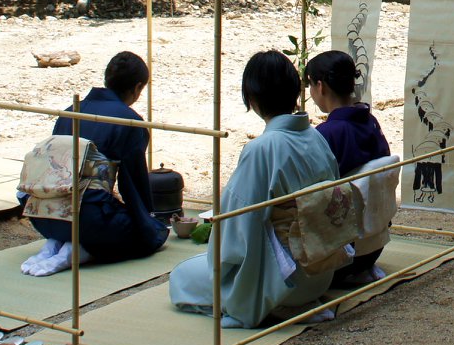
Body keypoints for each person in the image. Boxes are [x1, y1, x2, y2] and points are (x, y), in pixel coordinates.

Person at [168, 50, 342, 327]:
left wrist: (219, 260)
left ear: (251, 99)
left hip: (285, 281)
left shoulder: (263, 149)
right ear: (296, 93)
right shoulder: (316, 138)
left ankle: (266, 308)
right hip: (322, 271)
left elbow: (238, 224)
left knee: (181, 277)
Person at [19, 51, 168, 276]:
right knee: (149, 234)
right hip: (85, 220)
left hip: (41, 215)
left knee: (92, 207)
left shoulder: (69, 112)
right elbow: (132, 186)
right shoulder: (129, 121)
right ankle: (81, 247)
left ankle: (58, 242)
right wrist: (150, 221)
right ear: (138, 88)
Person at [306, 49, 393, 287]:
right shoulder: (370, 122)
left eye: (311, 86)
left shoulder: (328, 134)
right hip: (373, 245)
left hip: (341, 252)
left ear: (320, 86)